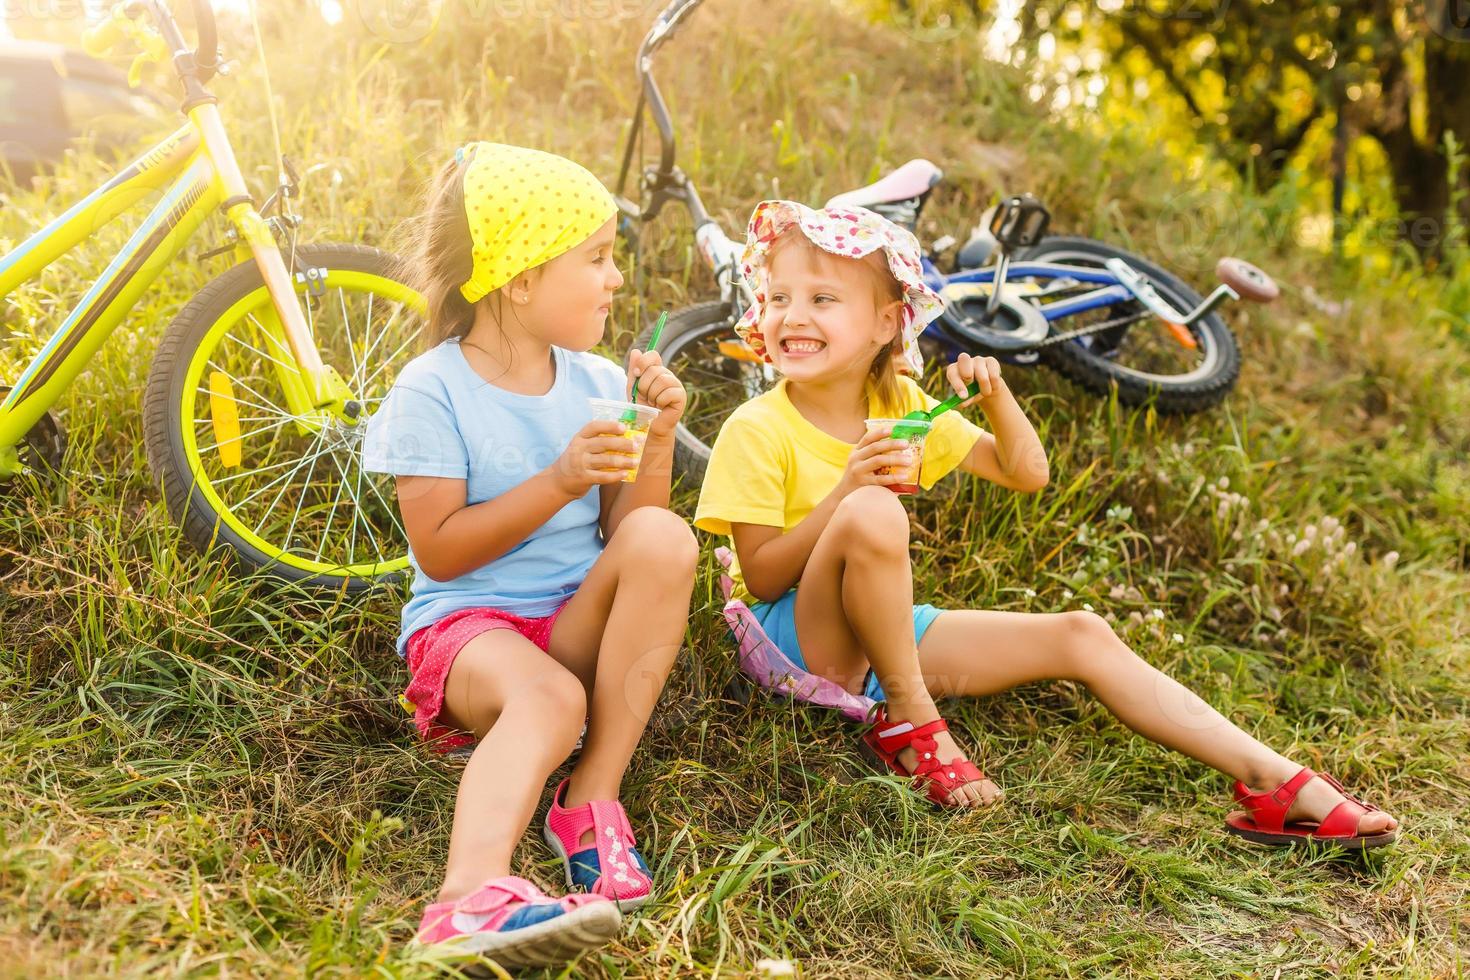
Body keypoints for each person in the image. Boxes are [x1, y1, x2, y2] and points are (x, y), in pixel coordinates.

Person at [693, 199, 1397, 852]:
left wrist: (997, 398)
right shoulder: (758, 427)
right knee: (873, 507)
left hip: (880, 635)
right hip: (799, 644)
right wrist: (848, 488)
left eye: (822, 300)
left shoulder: (899, 403)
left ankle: (1277, 781)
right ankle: (912, 721)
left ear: (885, 321)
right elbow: (762, 575)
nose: (792, 316)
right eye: (779, 298)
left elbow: (1025, 472)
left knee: (1081, 633)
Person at [363, 142, 698, 967]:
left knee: (667, 535)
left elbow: (632, 537)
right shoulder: (432, 388)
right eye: (596, 259)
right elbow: (439, 553)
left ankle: (591, 799)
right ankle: (466, 898)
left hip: (573, 622)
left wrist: (654, 439)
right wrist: (558, 480)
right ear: (519, 279)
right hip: (471, 633)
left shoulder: (593, 380)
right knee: (550, 698)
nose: (615, 279)